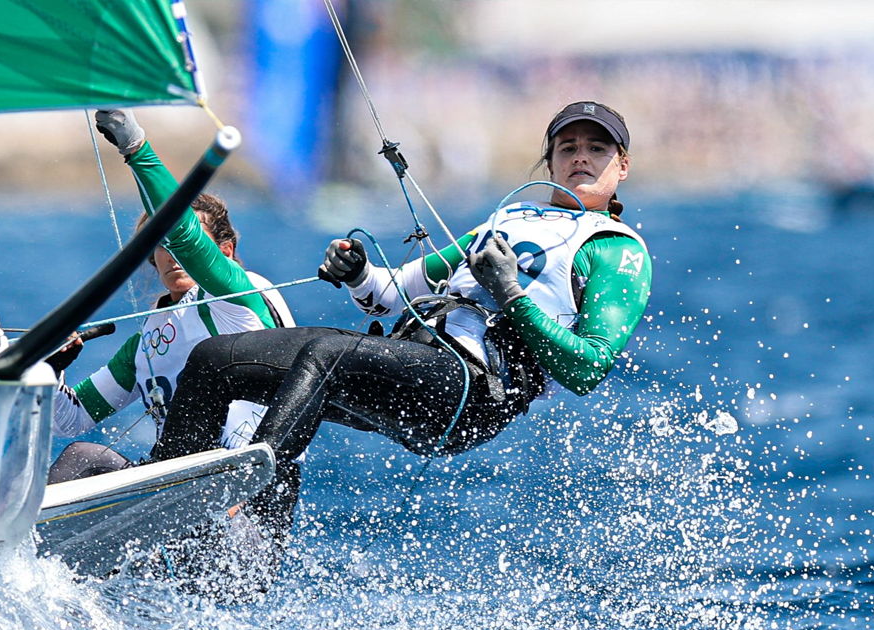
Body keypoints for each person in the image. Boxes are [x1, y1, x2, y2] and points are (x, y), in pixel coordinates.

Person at [152, 102, 652, 489]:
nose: (581, 156)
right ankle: (163, 497)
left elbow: (588, 369)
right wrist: (357, 272)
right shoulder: (510, 219)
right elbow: (390, 295)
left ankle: (239, 489)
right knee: (214, 358)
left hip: (472, 392)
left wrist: (510, 293)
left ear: (622, 165)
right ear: (550, 161)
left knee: (324, 355)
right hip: (415, 361)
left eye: (597, 148)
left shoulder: (615, 249)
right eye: (568, 147)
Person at [47, 108, 296, 485]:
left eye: (182, 243)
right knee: (81, 456)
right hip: (179, 491)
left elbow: (187, 239)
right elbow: (70, 419)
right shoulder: (145, 343)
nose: (174, 253)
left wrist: (136, 147)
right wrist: (50, 370)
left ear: (225, 252)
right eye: (161, 244)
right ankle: (17, 544)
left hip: (249, 488)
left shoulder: (239, 298)